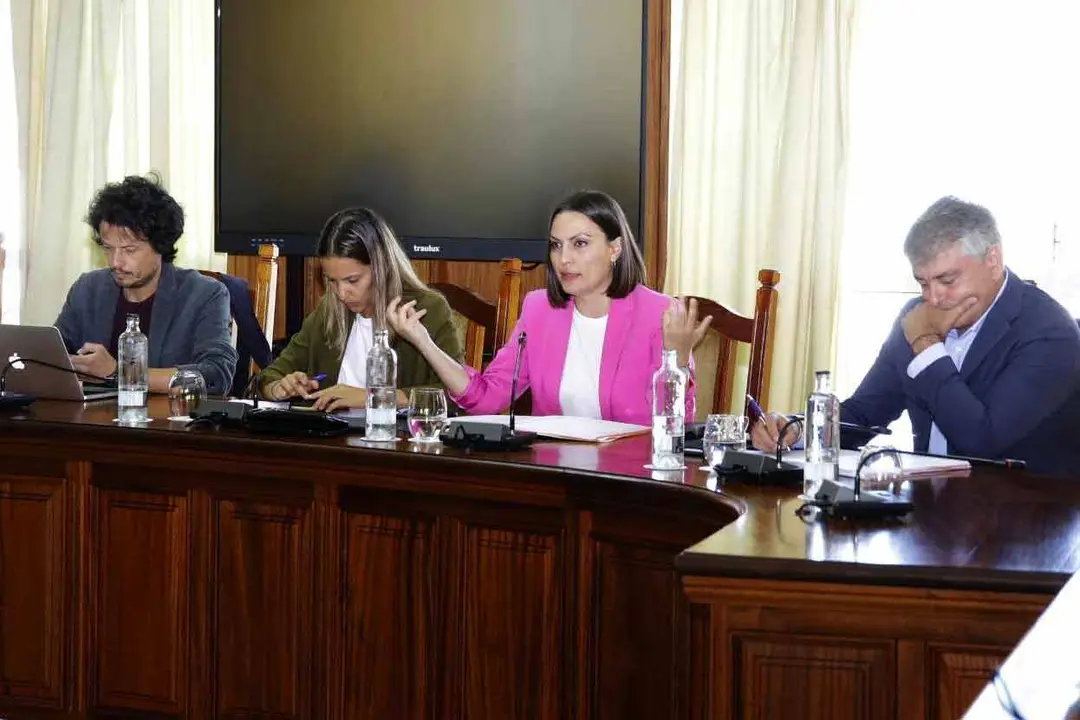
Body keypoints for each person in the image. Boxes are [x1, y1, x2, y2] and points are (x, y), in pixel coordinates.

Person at [752, 196, 1080, 476]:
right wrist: (796, 429)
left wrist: (926, 345)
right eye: (923, 283)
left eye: (947, 280)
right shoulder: (916, 316)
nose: (934, 297)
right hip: (932, 510)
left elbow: (982, 442)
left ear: (992, 260)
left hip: (1025, 524)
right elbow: (865, 412)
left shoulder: (1049, 332)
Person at [386, 189, 711, 426]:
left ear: (615, 249)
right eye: (556, 245)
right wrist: (422, 341)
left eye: (580, 244)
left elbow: (676, 426)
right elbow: (484, 399)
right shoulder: (539, 309)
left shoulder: (659, 313)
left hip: (629, 483)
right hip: (555, 476)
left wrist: (678, 360)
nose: (563, 258)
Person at [259, 207, 463, 412]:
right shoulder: (328, 312)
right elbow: (271, 375)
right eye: (332, 281)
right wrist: (280, 388)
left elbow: (456, 395)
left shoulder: (428, 310)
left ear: (382, 268)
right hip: (331, 440)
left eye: (352, 280)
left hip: (397, 439)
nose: (341, 294)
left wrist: (373, 397)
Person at [55, 174, 237, 394]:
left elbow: (215, 376)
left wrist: (119, 373)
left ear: (161, 245)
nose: (115, 262)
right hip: (93, 421)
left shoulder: (205, 295)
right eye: (108, 248)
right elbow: (52, 356)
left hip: (167, 424)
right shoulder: (87, 289)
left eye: (129, 250)